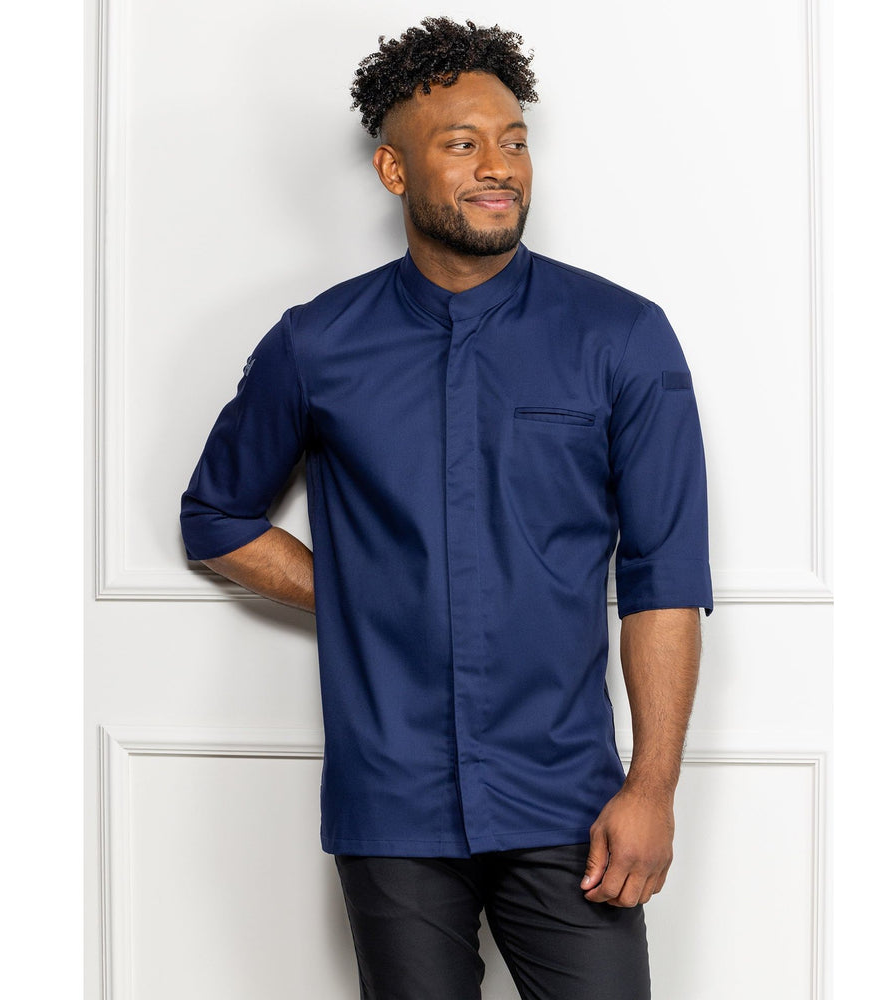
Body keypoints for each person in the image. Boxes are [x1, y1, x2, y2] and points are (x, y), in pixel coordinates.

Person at [180, 16, 712, 1000]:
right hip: (392, 799)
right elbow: (217, 519)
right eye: (462, 144)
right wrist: (367, 596)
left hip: (570, 799)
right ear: (394, 170)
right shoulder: (316, 343)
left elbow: (664, 577)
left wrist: (652, 787)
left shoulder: (622, 336)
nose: (498, 166)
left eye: (513, 141)